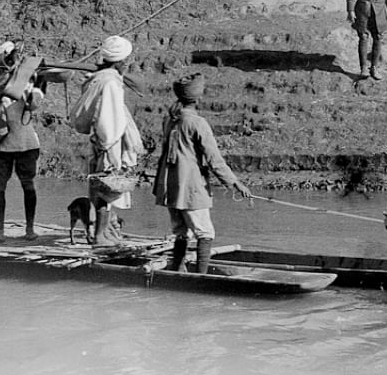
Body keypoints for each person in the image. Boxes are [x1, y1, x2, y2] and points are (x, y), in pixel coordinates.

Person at [153, 73, 252, 273]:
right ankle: (201, 276)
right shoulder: (198, 123)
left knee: (181, 232)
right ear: (198, 98)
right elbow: (215, 160)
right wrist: (235, 183)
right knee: (205, 233)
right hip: (190, 186)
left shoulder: (170, 120)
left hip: (169, 185)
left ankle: (178, 271)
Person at [69, 35, 146, 246]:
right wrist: (110, 144)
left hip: (100, 140)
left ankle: (103, 231)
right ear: (121, 61)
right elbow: (109, 118)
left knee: (99, 189)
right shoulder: (110, 82)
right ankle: (100, 235)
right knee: (106, 190)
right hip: (109, 141)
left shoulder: (99, 78)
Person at [0, 41, 46, 242]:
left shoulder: (3, 82)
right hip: (19, 141)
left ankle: (4, 231)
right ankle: (26, 230)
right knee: (24, 185)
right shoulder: (25, 81)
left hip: (9, 142)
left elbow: (34, 103)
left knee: (3, 186)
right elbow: (34, 103)